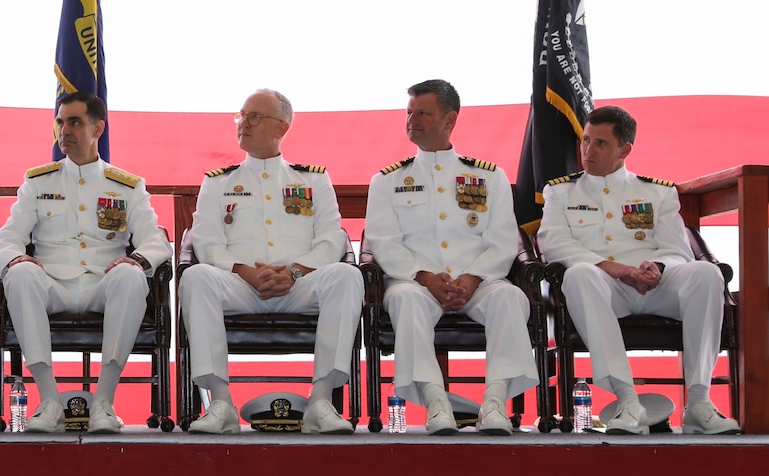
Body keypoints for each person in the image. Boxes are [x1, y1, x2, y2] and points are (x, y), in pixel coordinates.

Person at [538, 105, 740, 434]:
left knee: (707, 275)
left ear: (625, 149)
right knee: (578, 274)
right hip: (605, 287)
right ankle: (628, 400)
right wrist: (617, 269)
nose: (588, 150)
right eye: (586, 140)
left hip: (656, 286)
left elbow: (677, 249)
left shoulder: (657, 192)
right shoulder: (560, 192)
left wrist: (657, 267)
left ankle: (699, 402)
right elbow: (555, 244)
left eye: (600, 143)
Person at [181, 89, 363, 435]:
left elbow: (331, 239)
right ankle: (221, 402)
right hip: (240, 284)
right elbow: (205, 240)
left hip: (299, 283)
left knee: (346, 276)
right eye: (241, 116)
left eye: (254, 117)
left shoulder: (311, 179)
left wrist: (294, 272)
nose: (243, 124)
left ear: (281, 127)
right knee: (197, 277)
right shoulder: (218, 182)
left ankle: (321, 401)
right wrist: (247, 272)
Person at [0, 92, 172, 433]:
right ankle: (49, 400)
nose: (64, 130)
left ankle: (103, 401)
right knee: (21, 274)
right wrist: (16, 258)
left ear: (98, 127)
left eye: (74, 122)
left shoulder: (127, 186)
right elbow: (5, 239)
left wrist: (137, 260)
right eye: (60, 122)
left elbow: (156, 240)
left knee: (132, 277)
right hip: (52, 285)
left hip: (101, 285)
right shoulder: (39, 182)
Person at [364, 79, 537, 435]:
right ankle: (435, 401)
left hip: (478, 282)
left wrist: (473, 279)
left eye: (423, 113)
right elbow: (383, 242)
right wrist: (424, 276)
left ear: (449, 120)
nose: (412, 119)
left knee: (509, 296)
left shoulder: (488, 177)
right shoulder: (387, 180)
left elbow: (504, 242)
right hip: (415, 282)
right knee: (406, 302)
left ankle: (494, 402)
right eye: (409, 112)